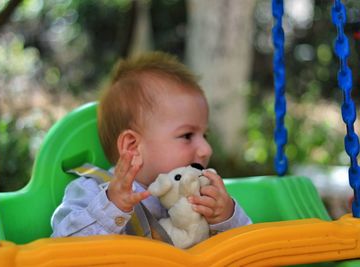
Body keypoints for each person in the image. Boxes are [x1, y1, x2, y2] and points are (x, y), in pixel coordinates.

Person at [51, 51, 252, 245]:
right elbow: (62, 248)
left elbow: (248, 249)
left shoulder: (203, 194)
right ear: (133, 146)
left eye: (204, 135)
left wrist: (225, 218)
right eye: (187, 135)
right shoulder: (92, 190)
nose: (206, 149)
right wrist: (112, 207)